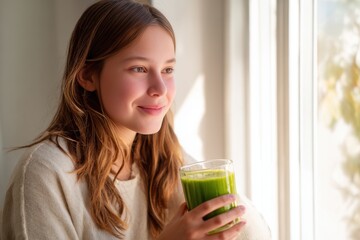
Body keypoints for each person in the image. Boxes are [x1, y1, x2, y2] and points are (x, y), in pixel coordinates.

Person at [1, 0, 271, 239]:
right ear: (87, 76)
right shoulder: (46, 173)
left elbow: (255, 234)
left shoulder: (164, 159)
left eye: (167, 69)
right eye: (139, 68)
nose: (160, 89)